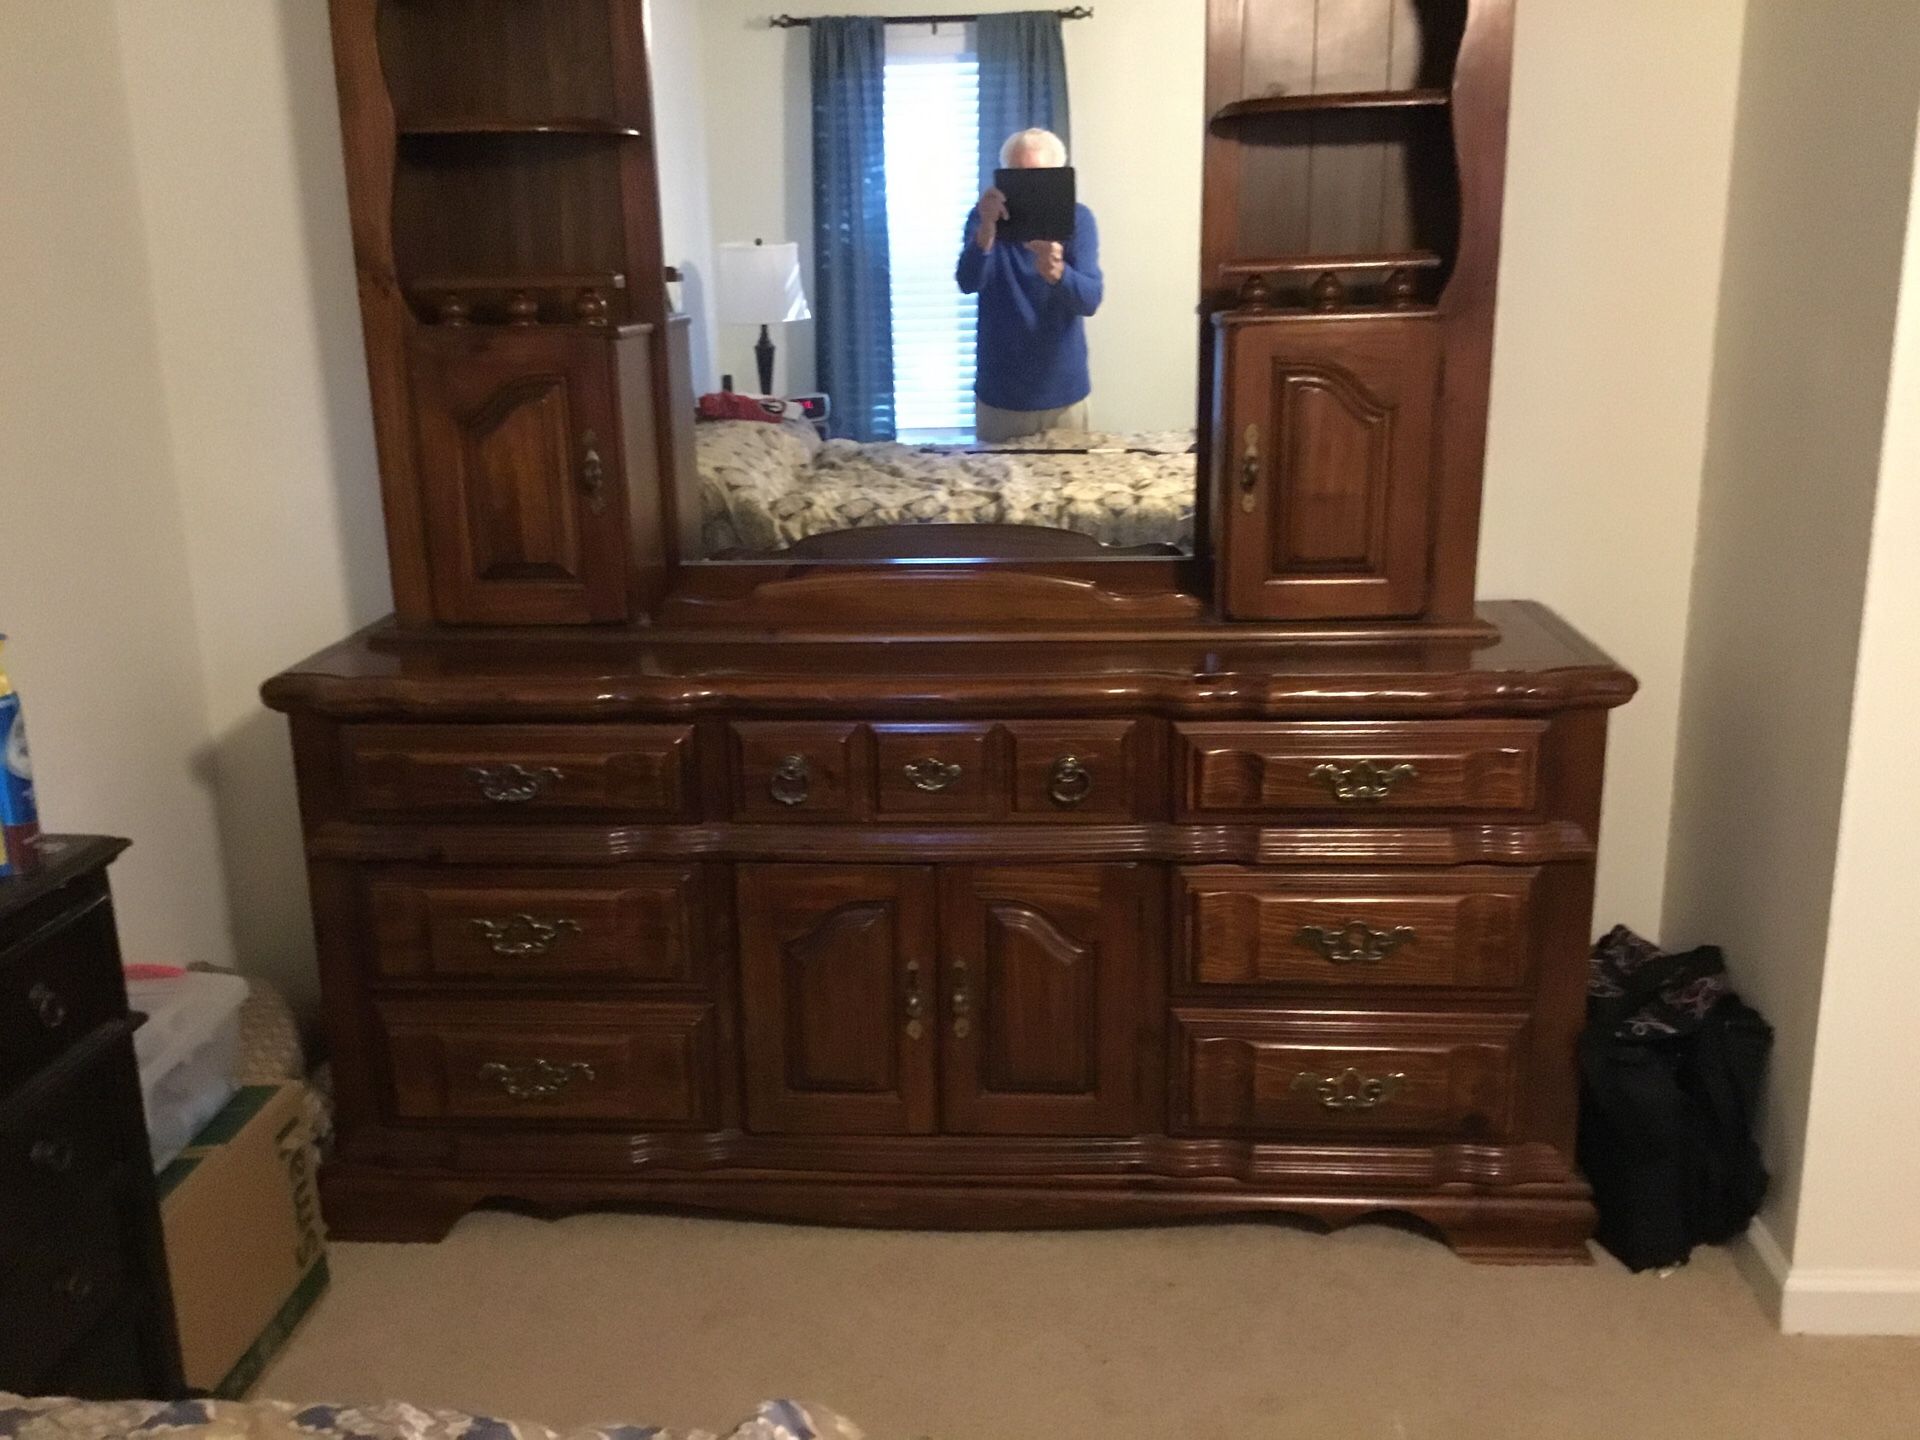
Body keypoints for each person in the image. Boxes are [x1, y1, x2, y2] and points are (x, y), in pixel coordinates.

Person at [955, 128, 1104, 444]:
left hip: (1064, 392)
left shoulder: (1078, 220)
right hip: (1000, 393)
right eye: (1016, 177)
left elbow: (1090, 300)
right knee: (994, 488)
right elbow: (968, 282)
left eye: (1037, 177)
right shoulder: (984, 219)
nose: (1027, 188)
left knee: (1070, 490)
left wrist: (1060, 274)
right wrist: (986, 232)